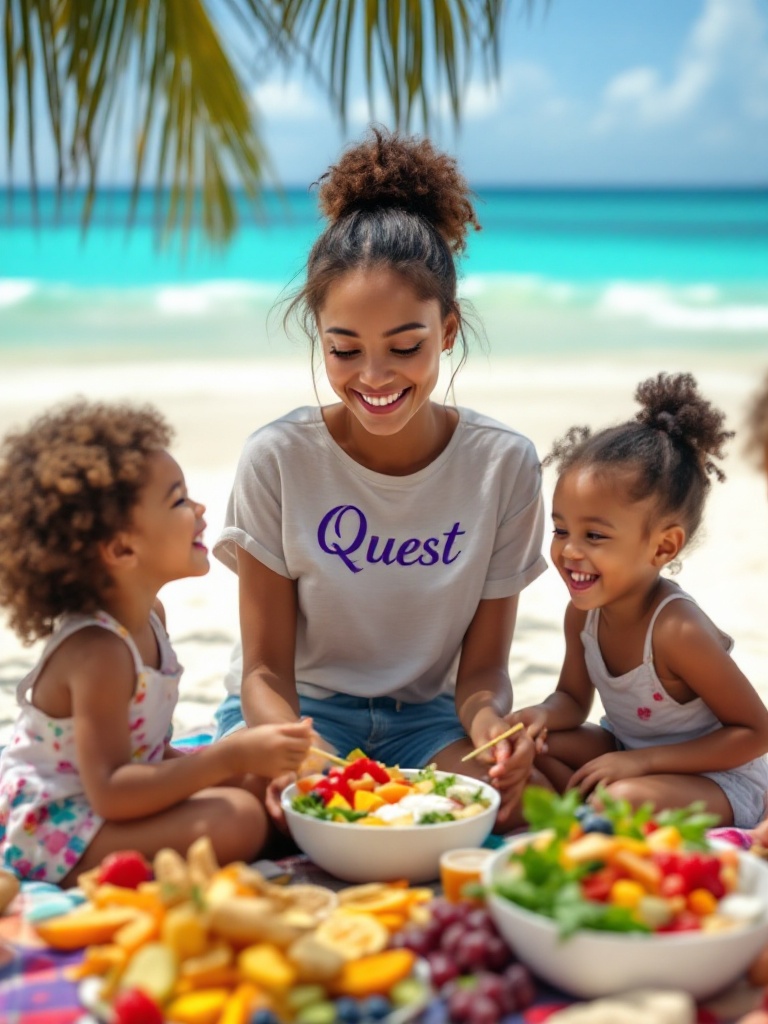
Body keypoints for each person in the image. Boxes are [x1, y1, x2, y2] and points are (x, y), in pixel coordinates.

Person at [212, 127, 548, 829]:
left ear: (448, 329)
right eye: (344, 349)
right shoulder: (277, 459)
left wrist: (493, 732)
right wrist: (306, 759)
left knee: (520, 808)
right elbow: (264, 673)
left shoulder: (504, 466)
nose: (373, 377)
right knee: (266, 818)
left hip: (425, 723)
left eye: (405, 346)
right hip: (298, 719)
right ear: (319, 337)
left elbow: (482, 674)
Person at [0, 401, 313, 884]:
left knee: (258, 784)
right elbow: (111, 790)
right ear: (123, 548)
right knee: (240, 818)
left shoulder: (151, 618)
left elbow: (143, 752)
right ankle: (81, 871)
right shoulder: (99, 654)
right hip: (56, 828)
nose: (200, 510)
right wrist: (225, 757)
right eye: (179, 501)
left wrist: (235, 765)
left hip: (106, 803)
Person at [508, 372, 768, 828]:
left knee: (618, 798)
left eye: (594, 535)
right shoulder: (583, 617)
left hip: (719, 777)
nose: (569, 550)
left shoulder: (676, 630)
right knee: (532, 749)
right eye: (561, 529)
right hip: (629, 753)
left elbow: (755, 733)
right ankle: (572, 820)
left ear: (663, 547)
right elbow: (572, 699)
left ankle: (586, 820)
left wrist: (641, 765)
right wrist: (538, 717)